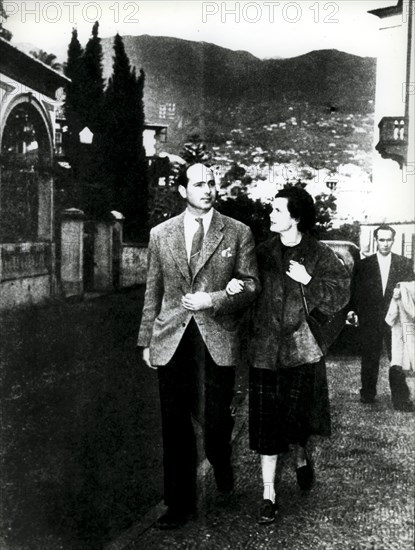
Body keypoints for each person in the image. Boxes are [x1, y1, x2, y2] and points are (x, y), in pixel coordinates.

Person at [137, 163, 260, 529]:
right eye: (198, 184)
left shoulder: (237, 232)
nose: (207, 189)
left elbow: (251, 285)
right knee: (174, 425)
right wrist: (146, 340)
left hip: (216, 338)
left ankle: (221, 460)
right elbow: (152, 290)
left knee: (216, 422)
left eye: (211, 183)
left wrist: (215, 299)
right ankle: (180, 505)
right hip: (172, 338)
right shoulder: (161, 234)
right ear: (181, 190)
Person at [228, 187, 350, 524]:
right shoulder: (262, 252)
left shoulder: (319, 253)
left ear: (295, 218)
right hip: (265, 352)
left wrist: (308, 280)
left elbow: (340, 293)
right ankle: (268, 494)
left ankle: (299, 455)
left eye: (278, 211)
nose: (271, 216)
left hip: (302, 352)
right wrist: (236, 288)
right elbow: (246, 284)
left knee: (297, 423)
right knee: (267, 427)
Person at [349, 225, 415, 409]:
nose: (385, 244)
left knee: (397, 357)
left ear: (393, 241)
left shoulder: (405, 263)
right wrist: (352, 310)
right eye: (382, 240)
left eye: (388, 240)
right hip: (371, 317)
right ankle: (368, 393)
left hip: (395, 319)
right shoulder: (364, 265)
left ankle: (401, 399)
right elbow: (355, 290)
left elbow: (412, 290)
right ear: (376, 240)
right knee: (369, 356)